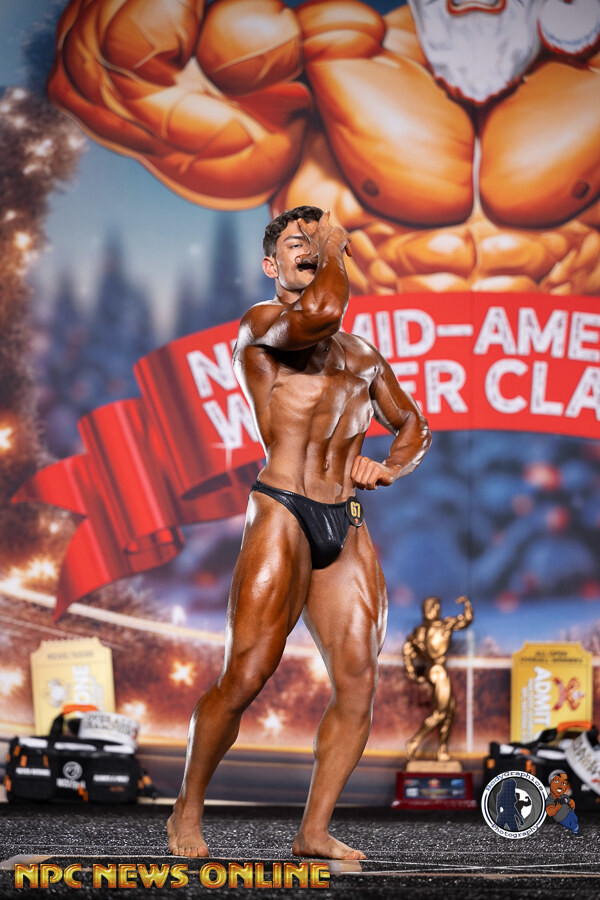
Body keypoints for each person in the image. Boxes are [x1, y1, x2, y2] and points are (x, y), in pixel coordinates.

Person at [167, 205, 431, 860]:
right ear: (271, 264)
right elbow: (319, 314)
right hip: (282, 508)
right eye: (297, 241)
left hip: (346, 520)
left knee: (359, 684)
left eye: (317, 237)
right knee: (247, 675)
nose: (310, 247)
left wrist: (390, 465)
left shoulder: (363, 356)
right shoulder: (262, 327)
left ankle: (313, 831)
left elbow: (413, 425)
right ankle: (186, 810)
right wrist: (334, 245)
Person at [403, 595, 473, 761]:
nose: (437, 610)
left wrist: (467, 605)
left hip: (436, 670)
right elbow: (408, 652)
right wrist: (411, 671)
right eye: (435, 607)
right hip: (437, 671)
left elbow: (466, 621)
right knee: (441, 713)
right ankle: (414, 741)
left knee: (449, 712)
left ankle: (442, 751)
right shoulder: (428, 629)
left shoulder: (431, 628)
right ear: (430, 609)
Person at [546, 770, 580, 836]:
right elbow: (550, 812)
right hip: (561, 817)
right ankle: (575, 830)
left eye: (563, 783)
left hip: (569, 812)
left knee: (575, 819)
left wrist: (572, 806)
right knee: (572, 825)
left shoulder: (563, 795)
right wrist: (556, 808)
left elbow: (570, 801)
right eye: (556, 782)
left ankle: (575, 829)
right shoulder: (550, 799)